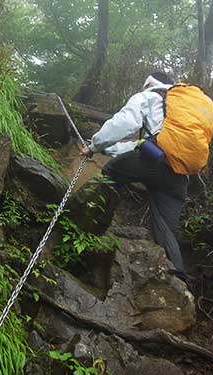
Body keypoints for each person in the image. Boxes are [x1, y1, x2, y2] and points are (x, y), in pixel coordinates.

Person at [80, 72, 192, 281]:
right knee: (165, 228)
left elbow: (123, 123)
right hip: (179, 176)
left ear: (148, 83)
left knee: (111, 172)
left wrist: (94, 145)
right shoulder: (182, 110)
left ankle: (86, 226)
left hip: (153, 163)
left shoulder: (150, 96)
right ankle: (176, 281)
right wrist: (104, 149)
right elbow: (139, 147)